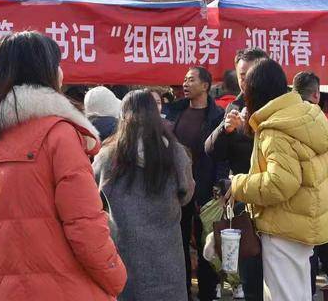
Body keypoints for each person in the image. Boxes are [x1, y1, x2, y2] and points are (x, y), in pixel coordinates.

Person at [0, 31, 126, 300]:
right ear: (43, 72)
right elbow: (86, 226)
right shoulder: (59, 135)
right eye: (56, 64)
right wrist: (116, 276)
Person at [231, 59, 328, 301]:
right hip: (305, 222)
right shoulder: (307, 114)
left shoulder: (275, 128)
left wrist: (237, 184)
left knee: (284, 296)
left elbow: (279, 184)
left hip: (284, 226)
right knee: (298, 294)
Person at [93, 90, 195, 300]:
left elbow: (94, 195)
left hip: (125, 257)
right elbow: (186, 195)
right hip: (168, 261)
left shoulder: (107, 157)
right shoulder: (175, 153)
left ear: (122, 116)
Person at [205, 47, 268, 301]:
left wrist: (250, 129)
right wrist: (226, 129)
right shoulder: (235, 106)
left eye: (251, 74)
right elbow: (213, 151)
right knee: (250, 275)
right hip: (244, 203)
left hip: (275, 202)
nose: (246, 81)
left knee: (280, 280)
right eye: (242, 75)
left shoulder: (280, 105)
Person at [165, 67, 225, 301]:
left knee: (205, 243)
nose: (185, 84)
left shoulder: (217, 116)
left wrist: (218, 186)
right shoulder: (175, 111)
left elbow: (221, 155)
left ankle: (207, 293)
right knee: (178, 242)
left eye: (191, 80)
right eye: (185, 80)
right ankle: (183, 292)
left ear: (205, 86)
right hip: (176, 190)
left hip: (206, 189)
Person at [292, 72, 328, 291]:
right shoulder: (324, 122)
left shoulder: (285, 119)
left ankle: (308, 289)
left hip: (297, 196)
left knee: (305, 248)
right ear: (315, 94)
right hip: (323, 192)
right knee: (323, 237)